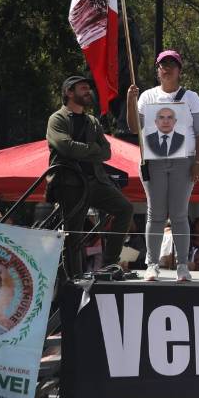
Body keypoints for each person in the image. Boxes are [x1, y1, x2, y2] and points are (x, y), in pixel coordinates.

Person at [127, 50, 199, 282]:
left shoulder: (191, 97)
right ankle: (152, 264)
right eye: (163, 65)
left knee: (180, 214)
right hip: (153, 161)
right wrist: (130, 101)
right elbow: (135, 128)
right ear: (157, 70)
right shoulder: (147, 97)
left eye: (172, 64)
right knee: (155, 213)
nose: (167, 68)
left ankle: (183, 265)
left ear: (179, 71)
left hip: (184, 161)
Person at [47, 75, 134, 275]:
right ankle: (74, 278)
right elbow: (65, 147)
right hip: (69, 183)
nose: (88, 91)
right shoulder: (57, 119)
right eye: (83, 88)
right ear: (69, 92)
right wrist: (92, 148)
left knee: (125, 209)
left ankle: (110, 264)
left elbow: (106, 152)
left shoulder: (92, 121)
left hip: (95, 181)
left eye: (88, 88)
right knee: (73, 234)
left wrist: (87, 149)